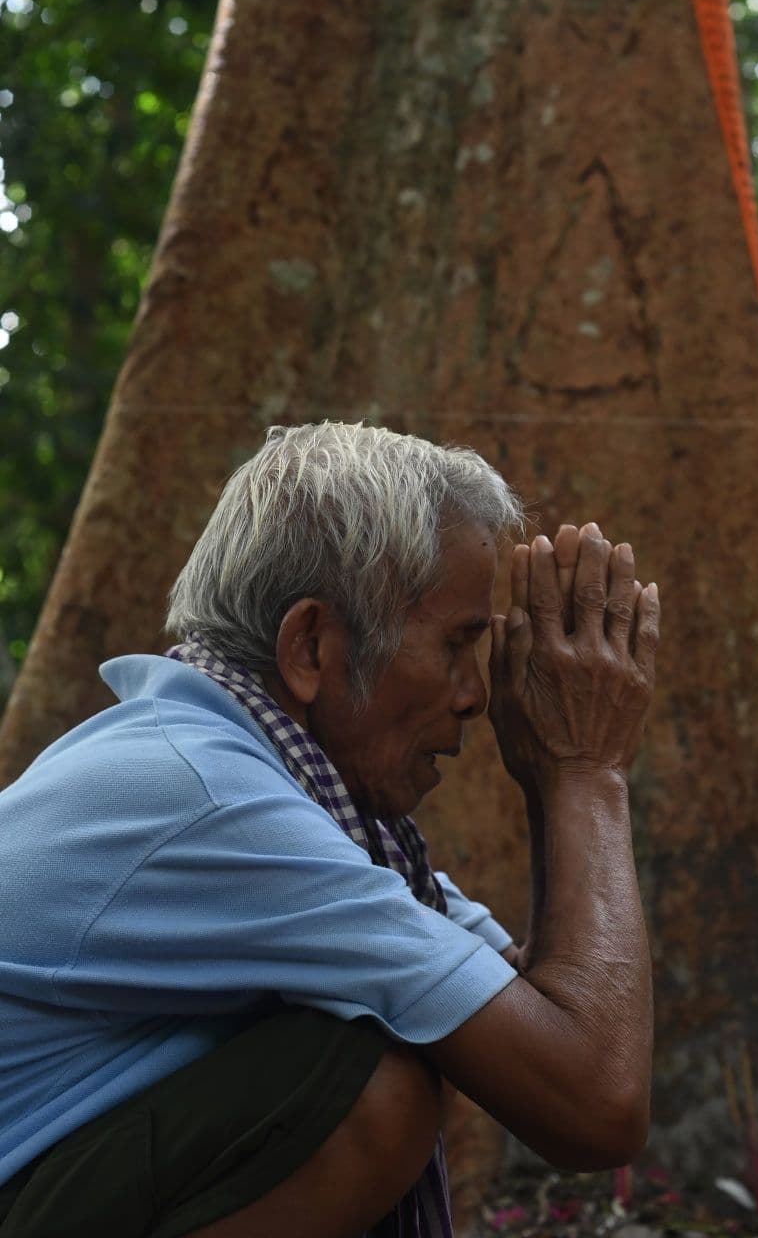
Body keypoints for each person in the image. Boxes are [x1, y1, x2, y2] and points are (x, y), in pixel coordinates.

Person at [0, 421, 659, 1238]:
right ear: (311, 645)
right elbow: (592, 1101)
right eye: (458, 644)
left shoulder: (251, 779)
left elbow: (524, 1019)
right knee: (366, 1090)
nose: (475, 696)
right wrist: (585, 773)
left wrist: (551, 781)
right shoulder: (213, 801)